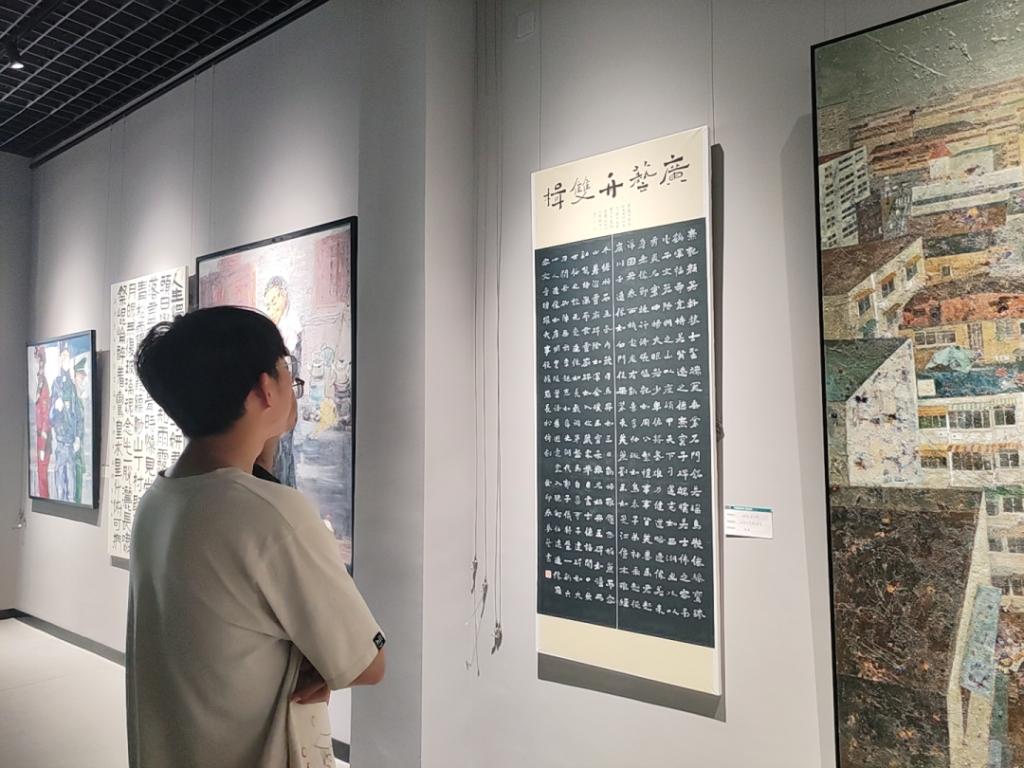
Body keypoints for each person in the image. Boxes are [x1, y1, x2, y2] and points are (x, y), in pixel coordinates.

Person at [126, 306, 385, 768]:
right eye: (287, 369)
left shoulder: (158, 500)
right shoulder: (273, 517)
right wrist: (318, 660)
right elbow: (367, 663)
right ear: (266, 388)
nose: (293, 383)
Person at [49, 342, 84, 503]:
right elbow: (50, 418)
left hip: (70, 444)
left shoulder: (72, 387)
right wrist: (55, 408)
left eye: (67, 358)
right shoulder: (56, 385)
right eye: (62, 358)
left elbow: (78, 415)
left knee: (70, 484)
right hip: (60, 443)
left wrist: (77, 437)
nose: (65, 361)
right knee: (59, 486)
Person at [33, 347, 51, 498]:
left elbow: (46, 416)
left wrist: (43, 445)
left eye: (39, 361)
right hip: (39, 436)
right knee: (40, 473)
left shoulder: (43, 385)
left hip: (43, 437)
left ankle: (44, 497)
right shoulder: (39, 384)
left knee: (43, 474)